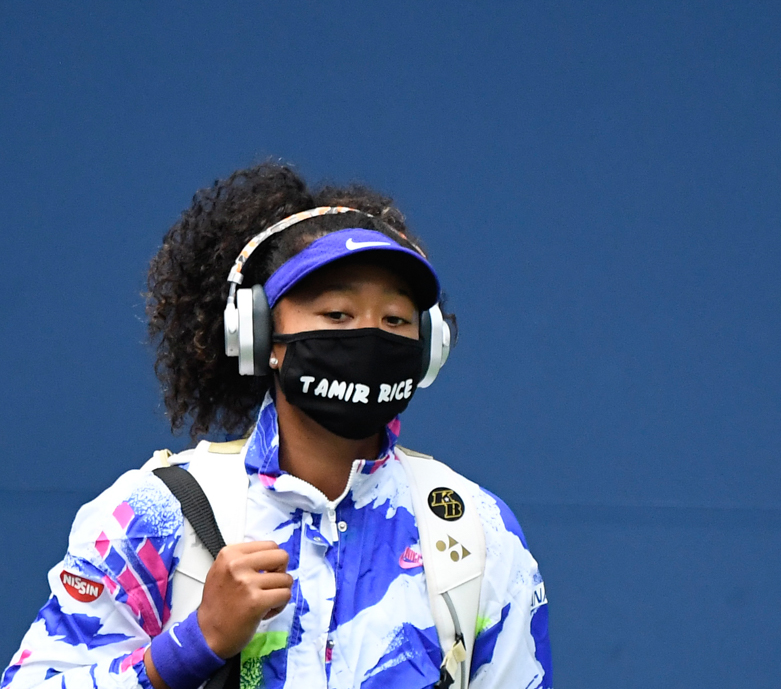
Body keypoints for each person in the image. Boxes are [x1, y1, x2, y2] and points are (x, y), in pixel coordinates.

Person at [1, 164, 552, 689]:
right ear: (258, 336)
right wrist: (192, 646)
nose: (368, 336)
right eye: (336, 315)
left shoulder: (475, 533)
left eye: (395, 320)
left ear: (428, 348)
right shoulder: (157, 515)